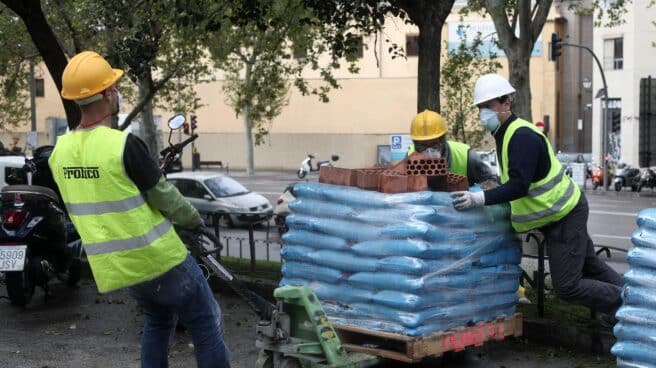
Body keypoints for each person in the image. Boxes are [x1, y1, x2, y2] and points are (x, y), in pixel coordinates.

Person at [48, 51, 230, 367]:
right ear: (105, 94)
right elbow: (165, 197)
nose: (117, 92)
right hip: (162, 259)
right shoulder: (122, 145)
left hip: (124, 269)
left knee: (158, 323)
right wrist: (193, 219)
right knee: (205, 323)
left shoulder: (58, 154)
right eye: (114, 86)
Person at [450, 73, 624, 323]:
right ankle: (638, 305)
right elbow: (520, 178)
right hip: (558, 214)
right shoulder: (505, 133)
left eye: (488, 106)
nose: (482, 113)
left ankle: (625, 304)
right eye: (480, 107)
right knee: (591, 267)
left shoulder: (521, 136)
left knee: (567, 286)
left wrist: (480, 199)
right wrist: (495, 185)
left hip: (565, 215)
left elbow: (519, 186)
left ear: (506, 103)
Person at [407, 109, 497, 185]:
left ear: (443, 139)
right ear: (415, 143)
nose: (429, 151)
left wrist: (475, 198)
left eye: (434, 144)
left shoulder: (466, 157)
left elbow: (491, 185)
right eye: (423, 146)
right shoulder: (409, 157)